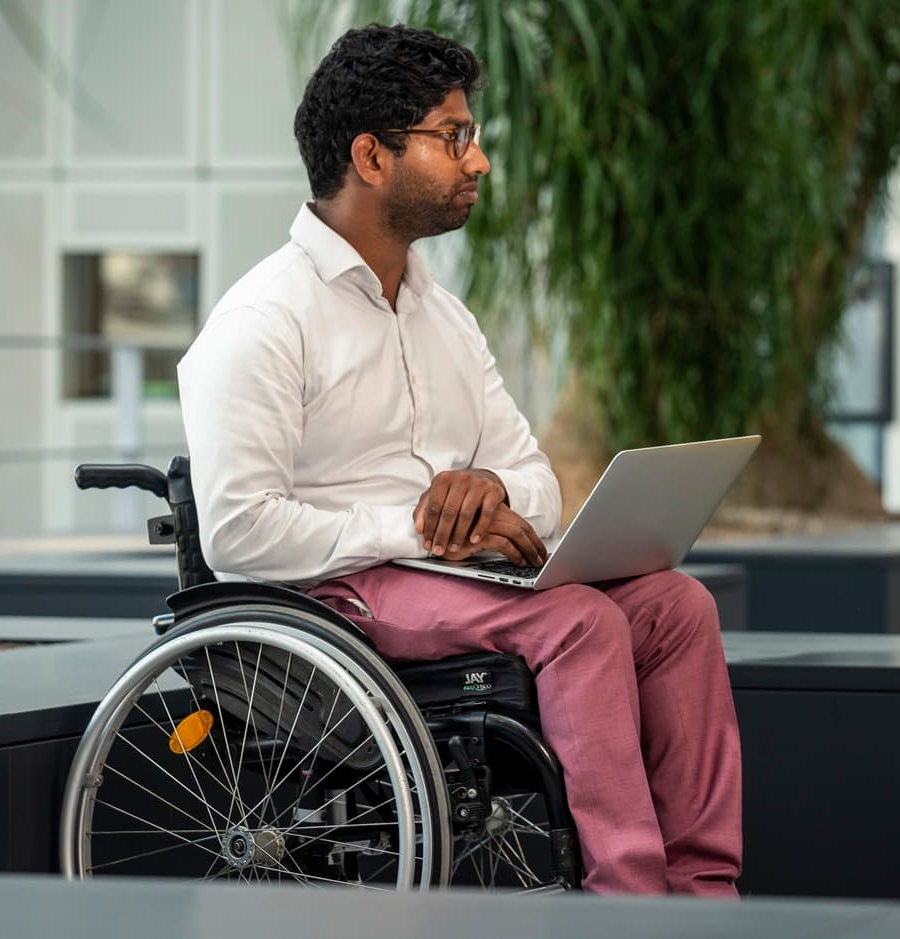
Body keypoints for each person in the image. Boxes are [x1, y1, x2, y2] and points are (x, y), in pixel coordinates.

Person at [176, 24, 741, 897]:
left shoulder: (446, 318)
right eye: (454, 137)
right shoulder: (262, 321)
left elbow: (538, 485)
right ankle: (628, 906)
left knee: (676, 605)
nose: (477, 162)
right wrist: (417, 525)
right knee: (582, 623)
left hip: (457, 581)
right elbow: (239, 531)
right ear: (371, 155)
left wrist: (493, 493)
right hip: (336, 599)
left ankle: (705, 895)